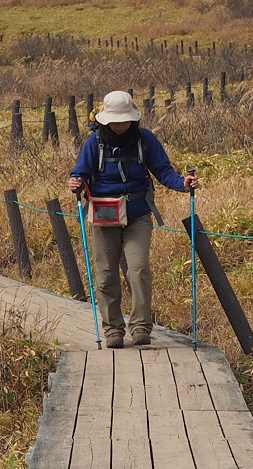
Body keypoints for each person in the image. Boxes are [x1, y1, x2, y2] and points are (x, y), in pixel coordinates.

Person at [66, 90, 198, 349]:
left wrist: (183, 184)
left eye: (124, 120)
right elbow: (80, 174)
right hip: (104, 215)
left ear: (132, 118)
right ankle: (113, 329)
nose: (120, 125)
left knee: (138, 270)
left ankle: (140, 326)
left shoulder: (145, 139)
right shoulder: (94, 143)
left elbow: (164, 171)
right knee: (105, 275)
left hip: (138, 213)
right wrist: (75, 182)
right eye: (115, 121)